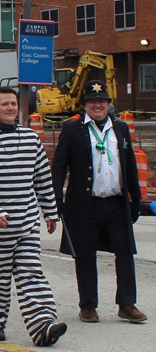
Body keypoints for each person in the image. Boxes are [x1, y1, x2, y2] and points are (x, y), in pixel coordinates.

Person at [0, 87, 67, 346]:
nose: (11, 108)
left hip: (26, 223)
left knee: (32, 273)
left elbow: (43, 179)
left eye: (14, 104)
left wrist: (51, 212)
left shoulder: (31, 139)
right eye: (5, 104)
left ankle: (44, 326)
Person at [52, 80, 146, 324]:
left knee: (125, 253)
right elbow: (59, 167)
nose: (97, 105)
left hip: (116, 202)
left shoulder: (121, 128)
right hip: (85, 204)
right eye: (92, 101)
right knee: (84, 254)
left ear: (108, 104)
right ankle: (88, 306)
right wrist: (56, 201)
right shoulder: (72, 130)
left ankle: (126, 304)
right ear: (85, 105)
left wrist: (136, 199)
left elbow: (130, 167)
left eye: (102, 101)